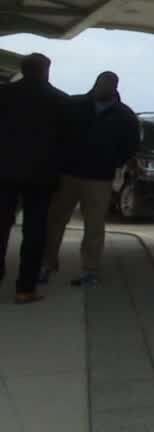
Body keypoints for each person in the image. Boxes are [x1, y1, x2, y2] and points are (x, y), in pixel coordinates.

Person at [43, 71, 139, 287]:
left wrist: (112, 161)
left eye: (106, 85)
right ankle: (47, 264)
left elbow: (131, 145)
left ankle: (90, 269)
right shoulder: (74, 105)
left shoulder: (124, 116)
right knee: (55, 221)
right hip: (68, 173)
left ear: (114, 87)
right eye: (99, 84)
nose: (101, 88)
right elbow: (56, 132)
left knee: (94, 226)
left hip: (99, 178)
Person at [0, 54, 69, 303]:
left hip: (4, 173)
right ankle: (25, 288)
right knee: (35, 231)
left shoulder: (4, 95)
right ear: (46, 71)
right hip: (42, 176)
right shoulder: (60, 100)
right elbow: (67, 140)